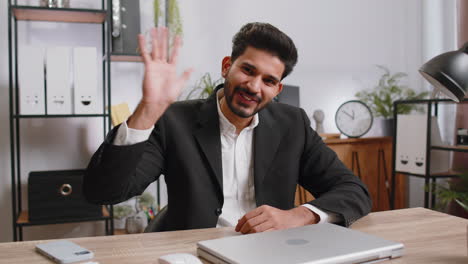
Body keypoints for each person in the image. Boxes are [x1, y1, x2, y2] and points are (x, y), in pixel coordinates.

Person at [84, 23, 371, 234]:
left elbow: (353, 190)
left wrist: (298, 216)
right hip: (195, 254)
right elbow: (103, 192)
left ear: (277, 89)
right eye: (247, 70)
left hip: (268, 253)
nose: (254, 86)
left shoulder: (293, 124)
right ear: (226, 67)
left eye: (268, 81)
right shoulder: (173, 122)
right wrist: (146, 111)